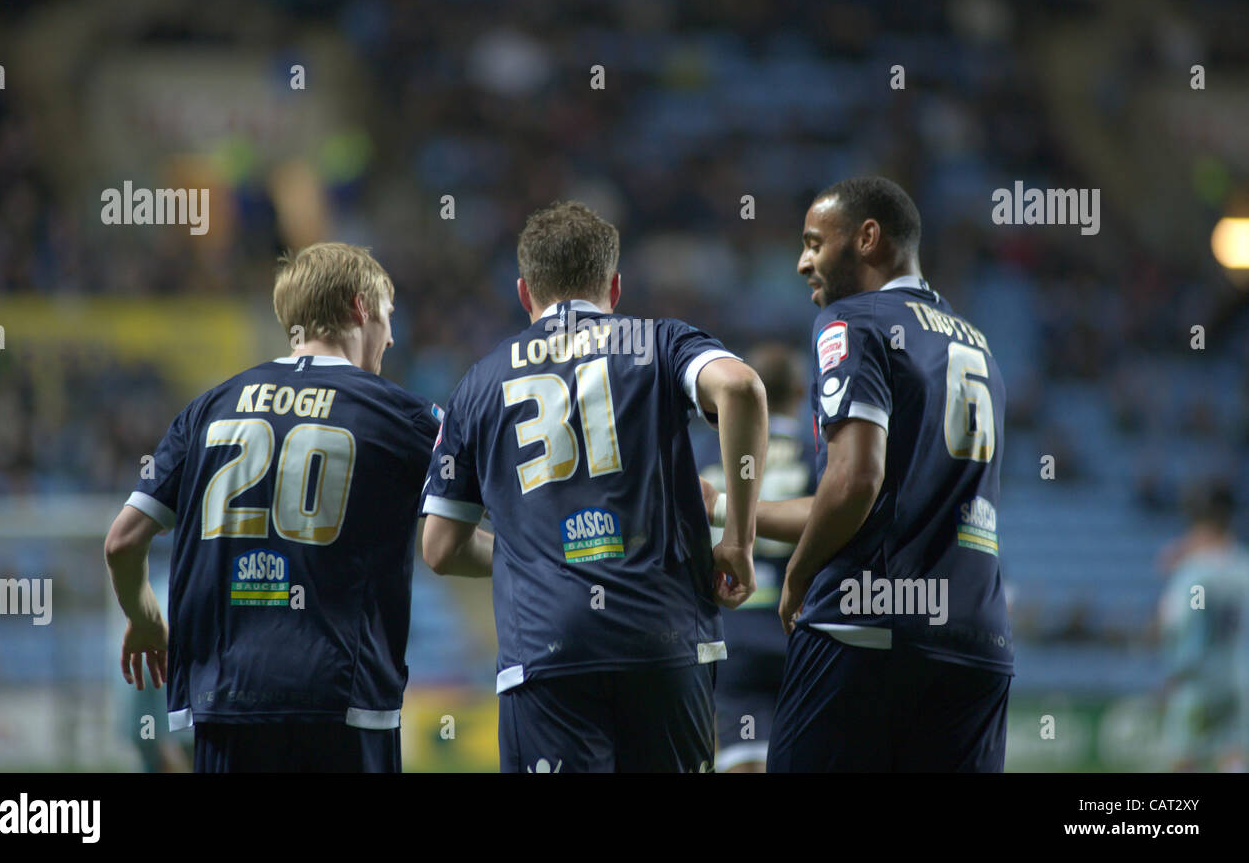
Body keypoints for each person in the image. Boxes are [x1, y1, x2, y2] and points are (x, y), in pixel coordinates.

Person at [421, 200, 768, 773]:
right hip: (664, 635)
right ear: (615, 285)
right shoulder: (658, 342)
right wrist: (739, 539)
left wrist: (527, 553)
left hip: (549, 646)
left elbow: (439, 547)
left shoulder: (479, 383)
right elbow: (742, 389)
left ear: (523, 292)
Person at [103, 242, 447, 772]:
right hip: (342, 703)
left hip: (224, 703)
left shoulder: (206, 409)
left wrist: (145, 616)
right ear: (360, 308)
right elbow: (488, 504)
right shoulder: (403, 416)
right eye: (387, 316)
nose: (392, 335)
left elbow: (122, 541)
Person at [736, 176, 1013, 772]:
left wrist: (800, 576)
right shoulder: (979, 346)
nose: (802, 262)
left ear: (866, 238)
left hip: (867, 627)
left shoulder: (851, 321)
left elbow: (854, 481)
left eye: (814, 242)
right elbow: (880, 496)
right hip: (976, 635)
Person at [699, 344, 817, 772]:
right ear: (802, 391)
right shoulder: (818, 454)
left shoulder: (708, 456)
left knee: (741, 759)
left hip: (734, 630)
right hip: (801, 628)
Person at [1157, 481, 1249, 771]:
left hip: (1197, 677)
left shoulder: (1194, 571)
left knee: (1183, 757)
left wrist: (1176, 671)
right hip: (1238, 674)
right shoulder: (1243, 567)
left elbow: (1179, 621)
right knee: (1233, 754)